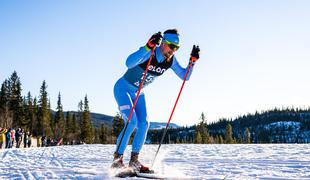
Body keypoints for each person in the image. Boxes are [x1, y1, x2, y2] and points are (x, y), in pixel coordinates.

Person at [111, 29, 200, 172]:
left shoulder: (170, 61)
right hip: (123, 88)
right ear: (163, 43)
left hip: (138, 93)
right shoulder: (149, 52)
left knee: (144, 123)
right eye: (171, 46)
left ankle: (134, 161)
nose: (173, 51)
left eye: (176, 48)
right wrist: (147, 46)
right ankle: (117, 160)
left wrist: (192, 62)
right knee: (131, 121)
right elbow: (128, 63)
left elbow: (185, 76)